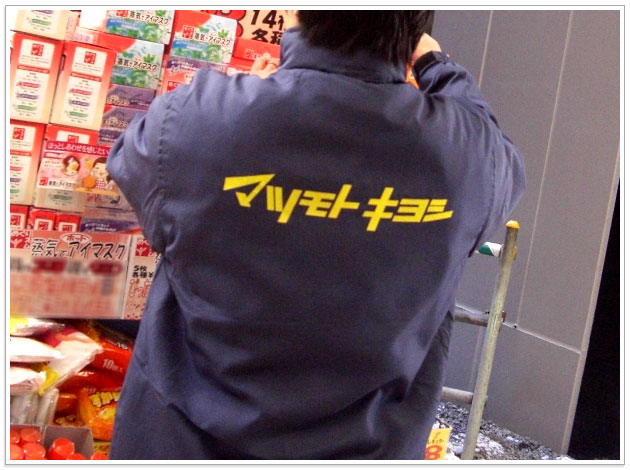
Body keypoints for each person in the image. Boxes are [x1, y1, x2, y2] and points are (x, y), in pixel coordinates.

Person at [107, 10, 525, 460]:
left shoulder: (199, 119)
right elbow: (490, 144)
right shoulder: (471, 156)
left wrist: (245, 101)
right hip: (372, 448)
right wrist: (437, 65)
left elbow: (133, 164)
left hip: (184, 443)